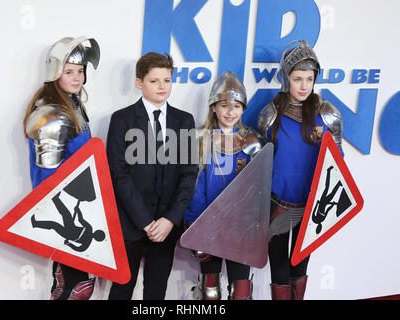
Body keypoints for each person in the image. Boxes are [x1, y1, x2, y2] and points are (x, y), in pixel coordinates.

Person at [106, 52, 198, 300]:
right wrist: (145, 221)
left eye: (166, 80)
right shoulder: (122, 119)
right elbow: (118, 173)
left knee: (156, 292)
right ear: (139, 83)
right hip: (130, 224)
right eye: (154, 81)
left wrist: (169, 219)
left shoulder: (184, 120)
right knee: (122, 289)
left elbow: (190, 173)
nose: (161, 87)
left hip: (166, 226)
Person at [256, 40, 343, 300]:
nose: (304, 86)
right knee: (279, 267)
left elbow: (336, 166)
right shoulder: (270, 116)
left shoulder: (328, 115)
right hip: (276, 204)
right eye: (297, 79)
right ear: (286, 78)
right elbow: (258, 168)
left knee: (300, 265)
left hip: (312, 206)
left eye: (309, 79)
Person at [23, 36, 100, 300]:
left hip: (80, 212)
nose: (77, 78)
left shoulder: (74, 105)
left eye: (80, 72)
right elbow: (48, 180)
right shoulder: (52, 113)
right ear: (55, 73)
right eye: (69, 72)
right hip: (64, 212)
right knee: (74, 288)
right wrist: (69, 222)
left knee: (75, 285)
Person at [184, 71, 264, 300]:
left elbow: (257, 187)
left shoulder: (252, 141)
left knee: (241, 291)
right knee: (210, 291)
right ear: (213, 107)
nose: (231, 112)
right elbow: (194, 185)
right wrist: (197, 222)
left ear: (243, 109)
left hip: (241, 227)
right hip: (207, 225)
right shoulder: (199, 139)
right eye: (224, 105)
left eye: (237, 106)